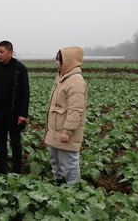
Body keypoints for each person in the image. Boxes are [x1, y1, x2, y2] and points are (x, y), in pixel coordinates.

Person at [0, 40, 30, 178]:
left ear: (10, 52)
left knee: (15, 142)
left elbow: (26, 93)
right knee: (0, 141)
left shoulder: (20, 68)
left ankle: (16, 170)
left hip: (14, 113)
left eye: (1, 52)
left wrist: (23, 113)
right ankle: (1, 167)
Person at [43, 46, 87, 185]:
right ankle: (58, 183)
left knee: (69, 162)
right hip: (56, 129)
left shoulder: (76, 81)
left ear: (69, 62)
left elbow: (75, 110)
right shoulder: (62, 78)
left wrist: (67, 131)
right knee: (55, 159)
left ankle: (72, 190)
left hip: (65, 131)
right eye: (56, 59)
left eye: (60, 60)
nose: (57, 62)